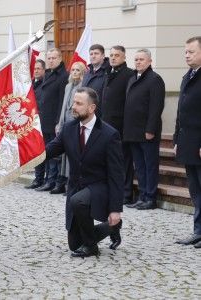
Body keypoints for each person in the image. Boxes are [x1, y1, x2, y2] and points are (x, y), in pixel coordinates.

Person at [46, 87, 124, 257]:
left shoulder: (110, 135)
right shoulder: (68, 128)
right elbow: (49, 150)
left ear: (92, 108)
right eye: (74, 102)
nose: (74, 106)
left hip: (99, 187)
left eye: (79, 103)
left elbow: (117, 175)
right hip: (76, 187)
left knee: (79, 201)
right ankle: (112, 228)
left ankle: (91, 247)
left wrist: (115, 210)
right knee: (74, 245)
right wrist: (26, 155)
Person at [124, 49, 165, 210]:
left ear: (149, 61)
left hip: (147, 132)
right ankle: (142, 195)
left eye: (141, 59)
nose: (138, 62)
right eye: (136, 59)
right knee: (139, 166)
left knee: (150, 165)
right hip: (133, 131)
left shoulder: (154, 79)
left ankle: (150, 197)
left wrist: (151, 129)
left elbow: (156, 107)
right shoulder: (133, 78)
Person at [173, 36, 201, 248]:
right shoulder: (187, 76)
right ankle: (198, 231)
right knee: (195, 189)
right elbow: (180, 111)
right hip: (188, 142)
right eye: (185, 52)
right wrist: (176, 138)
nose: (186, 55)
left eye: (191, 51)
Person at [101, 46, 135, 204]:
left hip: (121, 125)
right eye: (111, 55)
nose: (113, 58)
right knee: (109, 161)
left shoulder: (129, 74)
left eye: (117, 55)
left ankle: (126, 193)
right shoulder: (109, 73)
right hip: (106, 124)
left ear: (124, 57)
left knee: (124, 161)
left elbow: (129, 102)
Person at [35, 48, 68, 192]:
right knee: (45, 151)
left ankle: (53, 180)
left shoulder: (63, 76)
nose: (51, 60)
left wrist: (58, 122)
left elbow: (62, 101)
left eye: (54, 58)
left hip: (54, 121)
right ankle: (46, 179)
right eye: (49, 58)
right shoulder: (47, 74)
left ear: (60, 58)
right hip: (43, 119)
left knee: (54, 152)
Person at [55, 61, 86, 193]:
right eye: (72, 70)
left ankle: (72, 183)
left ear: (82, 72)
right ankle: (64, 181)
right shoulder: (68, 86)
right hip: (65, 122)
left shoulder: (83, 88)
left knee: (74, 154)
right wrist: (60, 123)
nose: (74, 72)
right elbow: (63, 106)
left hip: (75, 123)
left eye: (77, 70)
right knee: (64, 154)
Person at [25, 59, 46, 189]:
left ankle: (43, 179)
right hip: (32, 121)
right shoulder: (31, 83)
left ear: (44, 70)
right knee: (35, 151)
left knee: (43, 151)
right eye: (35, 69)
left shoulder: (45, 83)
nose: (36, 71)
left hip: (43, 121)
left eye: (38, 69)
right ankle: (37, 178)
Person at [82, 44, 110, 117]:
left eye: (96, 53)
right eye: (91, 54)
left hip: (99, 116)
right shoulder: (87, 73)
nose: (93, 56)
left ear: (103, 55)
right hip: (85, 114)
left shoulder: (109, 72)